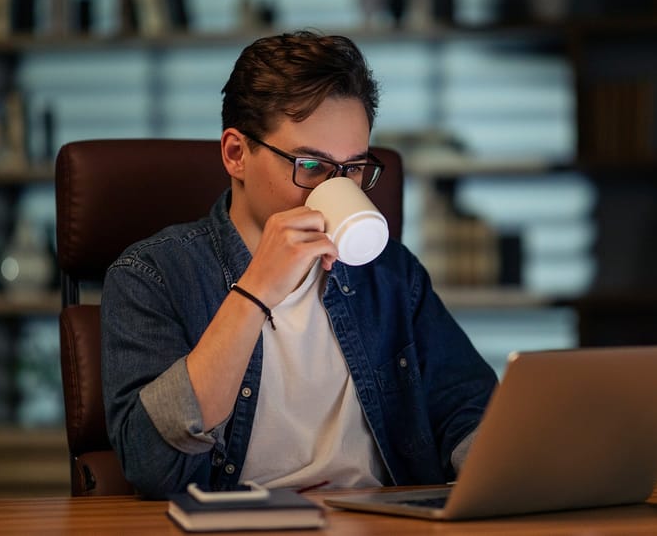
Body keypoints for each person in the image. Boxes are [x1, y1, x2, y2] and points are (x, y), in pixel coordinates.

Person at [100, 31, 497, 499]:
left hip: (378, 522)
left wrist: (511, 476)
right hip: (237, 527)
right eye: (311, 165)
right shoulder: (152, 275)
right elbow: (150, 463)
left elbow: (468, 408)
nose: (338, 187)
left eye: (354, 168)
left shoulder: (389, 272)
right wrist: (254, 292)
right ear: (236, 154)